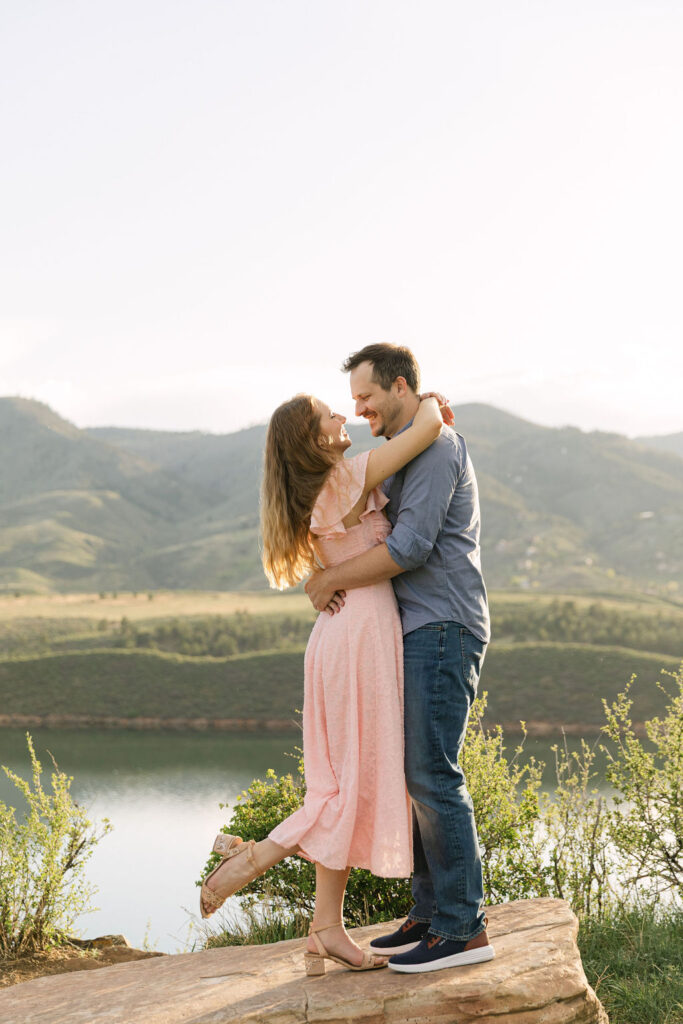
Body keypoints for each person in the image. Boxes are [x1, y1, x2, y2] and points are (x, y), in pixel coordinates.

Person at [198, 389, 445, 975]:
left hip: (345, 639)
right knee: (345, 785)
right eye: (330, 415)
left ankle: (325, 927)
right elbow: (427, 429)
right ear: (315, 440)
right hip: (359, 639)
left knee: (342, 782)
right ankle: (253, 858)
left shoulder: (319, 488)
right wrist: (427, 399)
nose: (344, 416)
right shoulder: (344, 480)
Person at [305, 343, 494, 974]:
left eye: (366, 397)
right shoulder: (411, 446)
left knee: (432, 772)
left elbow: (410, 547)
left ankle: (462, 926)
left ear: (401, 385)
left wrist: (332, 581)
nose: (358, 411)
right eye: (352, 401)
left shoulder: (437, 450)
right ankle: (429, 913)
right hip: (414, 628)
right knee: (412, 772)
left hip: (443, 623)